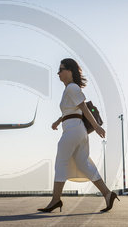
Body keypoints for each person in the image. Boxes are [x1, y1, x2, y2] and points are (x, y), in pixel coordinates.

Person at [38, 58, 119, 213]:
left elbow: (83, 108)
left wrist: (96, 127)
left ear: (70, 71)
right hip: (77, 129)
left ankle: (55, 200)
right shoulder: (70, 89)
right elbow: (72, 110)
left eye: (61, 69)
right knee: (84, 164)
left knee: (61, 163)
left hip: (73, 130)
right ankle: (108, 194)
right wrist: (57, 121)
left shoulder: (72, 88)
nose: (58, 73)